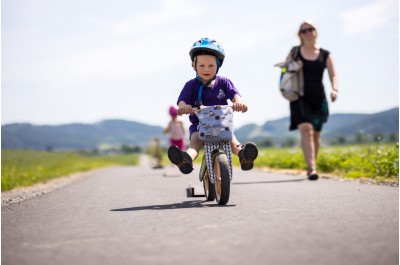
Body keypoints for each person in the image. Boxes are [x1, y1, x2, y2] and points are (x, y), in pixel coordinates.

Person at [167, 37, 258, 174]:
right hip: (199, 125)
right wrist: (184, 107)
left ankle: (244, 155)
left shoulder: (224, 82)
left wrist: (238, 103)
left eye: (211, 65)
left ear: (218, 65)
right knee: (195, 142)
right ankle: (185, 159)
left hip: (222, 124)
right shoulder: (191, 85)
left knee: (232, 140)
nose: (206, 69)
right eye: (202, 65)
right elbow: (182, 100)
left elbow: (235, 94)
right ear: (194, 65)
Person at [286, 20, 338, 180]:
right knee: (306, 129)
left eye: (310, 29)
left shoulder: (325, 54)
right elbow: (283, 69)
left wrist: (335, 89)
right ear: (300, 35)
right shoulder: (295, 52)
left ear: (315, 32)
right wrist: (295, 66)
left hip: (319, 98)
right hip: (299, 97)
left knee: (315, 134)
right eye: (304, 30)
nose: (308, 32)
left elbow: (333, 74)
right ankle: (312, 168)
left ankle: (313, 164)